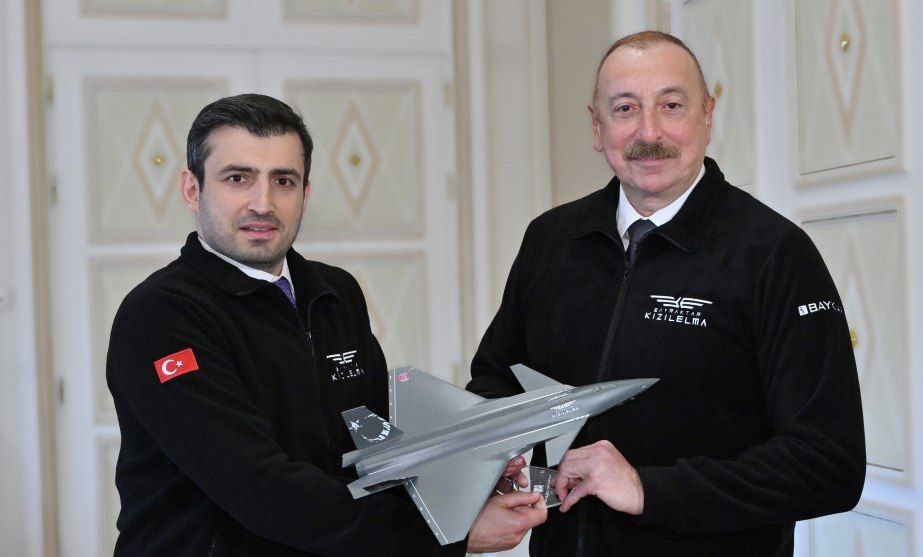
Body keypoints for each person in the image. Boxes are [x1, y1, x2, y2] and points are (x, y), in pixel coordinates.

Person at [466, 31, 865, 556]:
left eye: (671, 105)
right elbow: (495, 381)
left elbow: (828, 465)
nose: (649, 132)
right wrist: (501, 462)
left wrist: (648, 490)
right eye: (625, 108)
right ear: (597, 126)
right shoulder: (550, 240)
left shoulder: (774, 254)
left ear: (707, 115)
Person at [106, 93, 546, 556]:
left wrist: (469, 478)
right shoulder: (160, 317)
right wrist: (444, 533)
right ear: (192, 189)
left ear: (306, 193)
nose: (263, 203)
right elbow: (260, 489)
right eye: (237, 178)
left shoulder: (334, 292)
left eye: (284, 181)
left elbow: (376, 444)